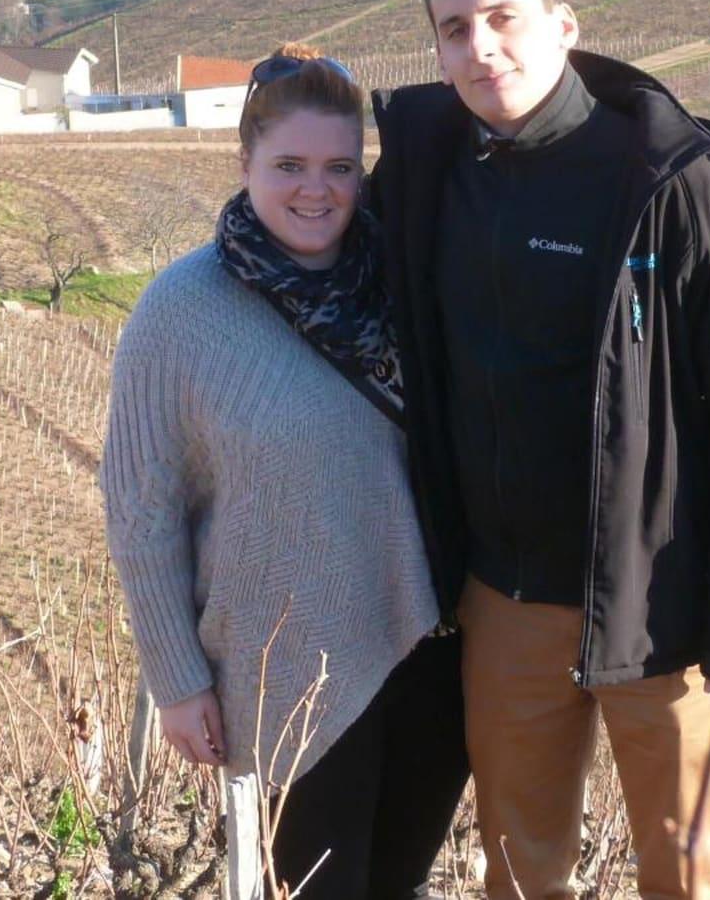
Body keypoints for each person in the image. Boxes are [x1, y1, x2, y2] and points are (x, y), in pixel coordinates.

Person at [369, 0, 710, 900]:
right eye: (454, 30)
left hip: (664, 611)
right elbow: (303, 224)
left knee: (693, 877)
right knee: (519, 872)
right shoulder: (429, 174)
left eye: (502, 17)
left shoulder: (669, 182)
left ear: (564, 26)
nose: (482, 48)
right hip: (506, 604)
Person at [104, 44, 468, 898]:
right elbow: (139, 507)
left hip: (433, 651)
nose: (317, 189)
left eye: (341, 166)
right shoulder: (182, 310)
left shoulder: (405, 281)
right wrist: (178, 679)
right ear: (244, 164)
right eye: (290, 165)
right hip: (285, 668)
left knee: (398, 885)